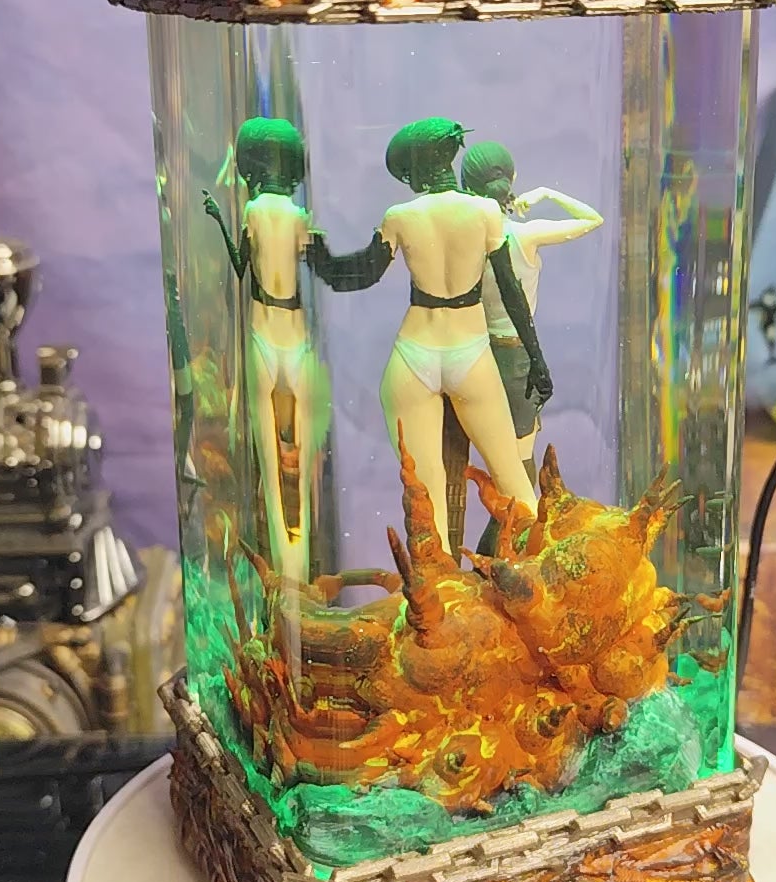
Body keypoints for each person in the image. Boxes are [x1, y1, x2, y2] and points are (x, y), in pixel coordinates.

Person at [308, 119, 550, 557]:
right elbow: (510, 291)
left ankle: (439, 584)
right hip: (470, 352)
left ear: (417, 169)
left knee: (428, 496)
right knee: (515, 481)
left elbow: (359, 275)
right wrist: (536, 358)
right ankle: (542, 568)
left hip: (415, 353)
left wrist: (319, 257)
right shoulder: (484, 212)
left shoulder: (401, 217)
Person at [203, 117, 325, 583]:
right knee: (296, 462)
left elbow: (239, 267)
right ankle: (296, 570)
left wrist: (220, 219)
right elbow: (316, 264)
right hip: (291, 334)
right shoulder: (297, 215)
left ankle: (289, 571)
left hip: (268, 332)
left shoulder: (255, 210)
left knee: (274, 464)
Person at [456, 141, 603, 508]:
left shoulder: (466, 239)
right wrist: (547, 193)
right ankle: (513, 537)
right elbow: (592, 219)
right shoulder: (524, 235)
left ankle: (499, 539)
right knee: (520, 464)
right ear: (512, 179)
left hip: (473, 354)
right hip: (515, 357)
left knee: (486, 462)